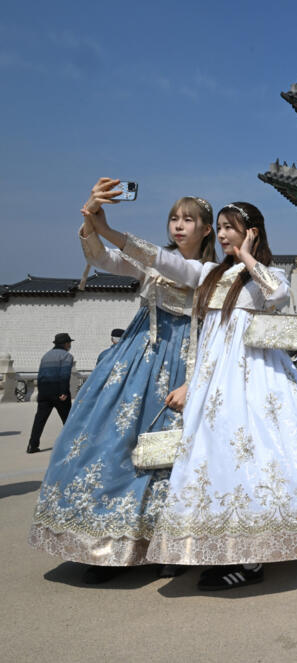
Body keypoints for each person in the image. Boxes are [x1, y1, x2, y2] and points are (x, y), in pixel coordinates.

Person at [92, 201, 297, 589]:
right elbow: (160, 259)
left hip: (256, 377)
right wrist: (108, 232)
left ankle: (251, 559)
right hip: (215, 378)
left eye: (230, 228)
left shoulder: (265, 273)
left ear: (251, 231)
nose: (222, 235)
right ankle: (227, 544)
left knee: (255, 455)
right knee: (215, 458)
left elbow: (277, 296)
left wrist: (249, 257)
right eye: (219, 228)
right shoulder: (207, 273)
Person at [30, 179, 216, 584]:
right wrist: (90, 220)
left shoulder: (210, 272)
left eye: (189, 219)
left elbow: (166, 265)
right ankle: (105, 546)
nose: (178, 226)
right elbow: (102, 259)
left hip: (186, 366)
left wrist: (110, 228)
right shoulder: (152, 262)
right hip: (136, 359)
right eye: (173, 218)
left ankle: (171, 544)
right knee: (108, 444)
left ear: (206, 230)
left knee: (174, 458)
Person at [26, 333, 75, 454]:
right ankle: (72, 445)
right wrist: (63, 392)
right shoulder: (66, 356)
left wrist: (41, 392)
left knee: (40, 420)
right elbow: (64, 375)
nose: (70, 345)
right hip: (59, 392)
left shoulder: (46, 356)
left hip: (44, 392)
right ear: (66, 344)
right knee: (68, 420)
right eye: (69, 343)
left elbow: (40, 376)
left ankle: (32, 445)